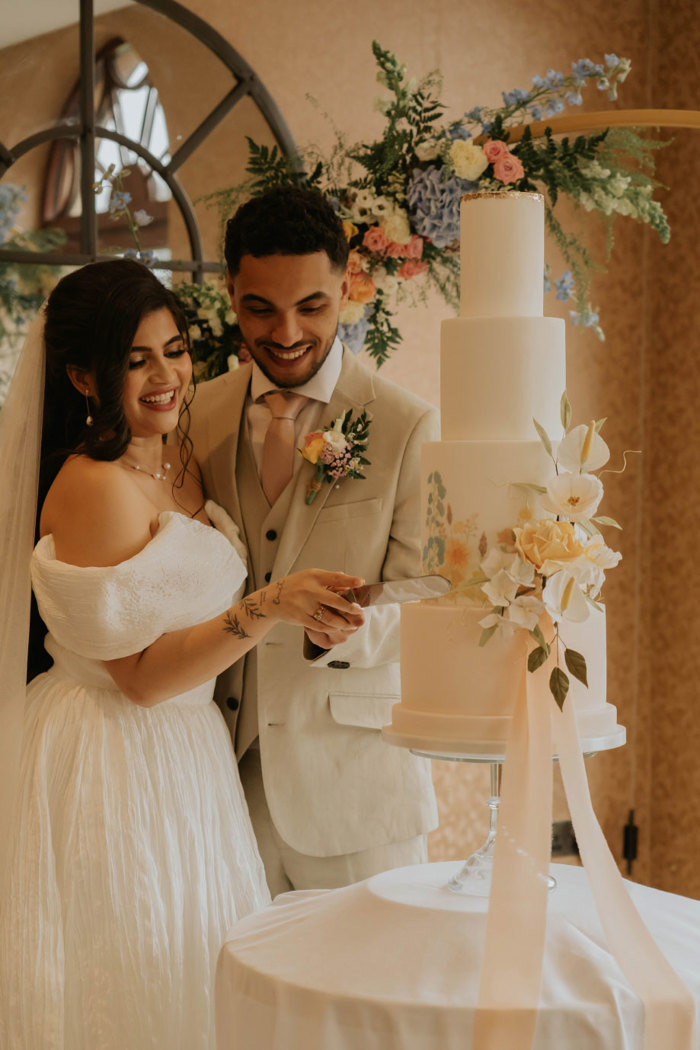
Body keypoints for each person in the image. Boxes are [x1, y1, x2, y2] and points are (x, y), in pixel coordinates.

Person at [0, 258, 364, 1050]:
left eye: (174, 349)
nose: (166, 375)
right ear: (82, 377)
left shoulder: (174, 454)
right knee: (127, 973)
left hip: (190, 753)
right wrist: (271, 604)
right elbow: (140, 679)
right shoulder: (96, 485)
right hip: (111, 754)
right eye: (136, 361)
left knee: (194, 971)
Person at [190, 186, 439, 897]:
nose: (287, 331)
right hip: (218, 786)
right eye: (259, 307)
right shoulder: (196, 414)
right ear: (231, 290)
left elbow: (434, 595)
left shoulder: (406, 424)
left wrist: (341, 629)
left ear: (346, 286)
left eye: (312, 306)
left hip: (356, 791)